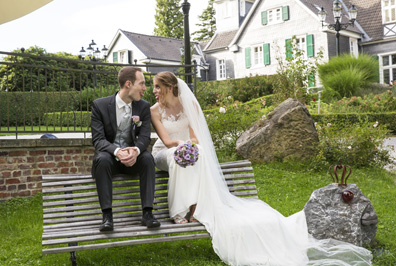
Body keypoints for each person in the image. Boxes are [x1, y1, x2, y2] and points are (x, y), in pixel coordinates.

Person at [150, 71, 373, 266]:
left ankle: (195, 208)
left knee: (198, 156)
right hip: (166, 151)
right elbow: (168, 141)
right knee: (178, 156)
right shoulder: (154, 110)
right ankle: (179, 211)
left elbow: (195, 138)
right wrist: (183, 147)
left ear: (169, 87)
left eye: (157, 86)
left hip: (189, 149)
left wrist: (191, 147)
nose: (154, 91)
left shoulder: (190, 105)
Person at [91, 66, 160, 232]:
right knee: (102, 159)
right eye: (142, 83)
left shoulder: (143, 107)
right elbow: (98, 140)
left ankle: (148, 213)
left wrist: (135, 151)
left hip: (133, 159)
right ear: (128, 84)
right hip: (110, 159)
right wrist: (117, 151)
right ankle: (107, 217)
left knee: (147, 158)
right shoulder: (99, 106)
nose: (145, 88)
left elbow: (144, 137)